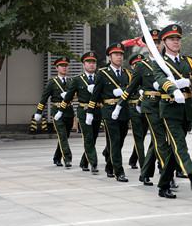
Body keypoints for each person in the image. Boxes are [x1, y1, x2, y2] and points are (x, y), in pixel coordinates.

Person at [152, 24, 192, 199]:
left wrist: (187, 82)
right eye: (171, 39)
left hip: (186, 109)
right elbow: (161, 79)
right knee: (180, 145)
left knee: (173, 150)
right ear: (164, 42)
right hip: (170, 109)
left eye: (177, 39)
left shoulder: (188, 61)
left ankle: (163, 185)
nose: (176, 42)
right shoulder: (160, 63)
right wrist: (173, 88)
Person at [115, 30, 173, 188]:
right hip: (151, 106)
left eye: (158, 42)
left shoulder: (168, 62)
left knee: (158, 142)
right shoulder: (141, 65)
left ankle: (145, 173)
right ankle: (167, 174)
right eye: (152, 42)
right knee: (160, 140)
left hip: (167, 105)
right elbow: (131, 87)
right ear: (147, 46)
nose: (156, 45)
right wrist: (119, 105)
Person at [86, 43, 131, 182]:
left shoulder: (126, 73)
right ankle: (119, 171)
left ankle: (109, 163)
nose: (119, 57)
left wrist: (123, 90)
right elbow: (96, 94)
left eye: (121, 54)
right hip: (109, 110)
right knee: (115, 140)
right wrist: (90, 111)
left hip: (123, 110)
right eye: (116, 54)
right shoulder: (103, 73)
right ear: (110, 57)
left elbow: (131, 89)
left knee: (121, 139)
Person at [55, 52, 101, 173]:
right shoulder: (77, 80)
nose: (91, 65)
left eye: (93, 62)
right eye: (88, 62)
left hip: (97, 110)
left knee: (94, 137)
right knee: (88, 137)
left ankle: (84, 162)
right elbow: (68, 97)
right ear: (83, 64)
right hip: (84, 111)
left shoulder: (100, 78)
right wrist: (60, 110)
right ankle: (94, 163)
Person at [34, 57, 74, 167]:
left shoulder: (71, 81)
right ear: (57, 68)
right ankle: (67, 158)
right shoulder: (53, 82)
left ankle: (57, 158)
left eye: (66, 66)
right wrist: (38, 111)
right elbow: (44, 97)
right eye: (62, 66)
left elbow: (77, 94)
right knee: (62, 135)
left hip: (69, 111)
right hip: (57, 112)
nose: (64, 68)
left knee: (65, 136)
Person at [126, 54, 148, 170]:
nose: (137, 66)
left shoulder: (146, 76)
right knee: (138, 136)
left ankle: (133, 159)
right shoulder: (129, 76)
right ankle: (143, 164)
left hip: (145, 107)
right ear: (132, 66)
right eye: (135, 64)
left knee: (142, 135)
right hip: (133, 107)